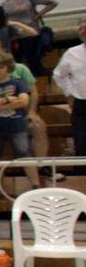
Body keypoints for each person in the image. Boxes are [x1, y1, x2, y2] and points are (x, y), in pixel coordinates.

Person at [0, 51, 38, 190]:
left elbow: (23, 101)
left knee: (25, 153)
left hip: (16, 124)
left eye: (0, 67)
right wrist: (6, 100)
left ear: (7, 67)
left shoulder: (18, 83)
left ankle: (36, 185)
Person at [2, 0, 55, 74]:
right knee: (16, 62)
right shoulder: (5, 3)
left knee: (34, 60)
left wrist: (38, 15)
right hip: (14, 35)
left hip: (30, 33)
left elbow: (52, 3)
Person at [52, 20, 86, 164]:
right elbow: (59, 74)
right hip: (81, 103)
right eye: (81, 28)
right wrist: (68, 93)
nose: (83, 31)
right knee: (82, 144)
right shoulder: (72, 52)